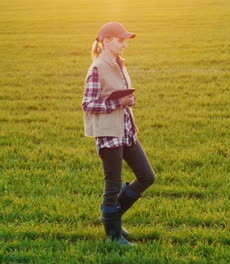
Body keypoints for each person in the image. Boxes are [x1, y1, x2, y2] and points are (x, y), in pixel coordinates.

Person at [82, 22, 155, 245]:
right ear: (106, 41)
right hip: (108, 134)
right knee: (112, 184)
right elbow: (88, 103)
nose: (124, 44)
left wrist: (129, 101)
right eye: (120, 40)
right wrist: (117, 102)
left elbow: (120, 96)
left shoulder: (119, 63)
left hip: (126, 131)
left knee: (146, 177)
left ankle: (111, 218)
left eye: (125, 40)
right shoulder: (97, 68)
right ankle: (113, 235)